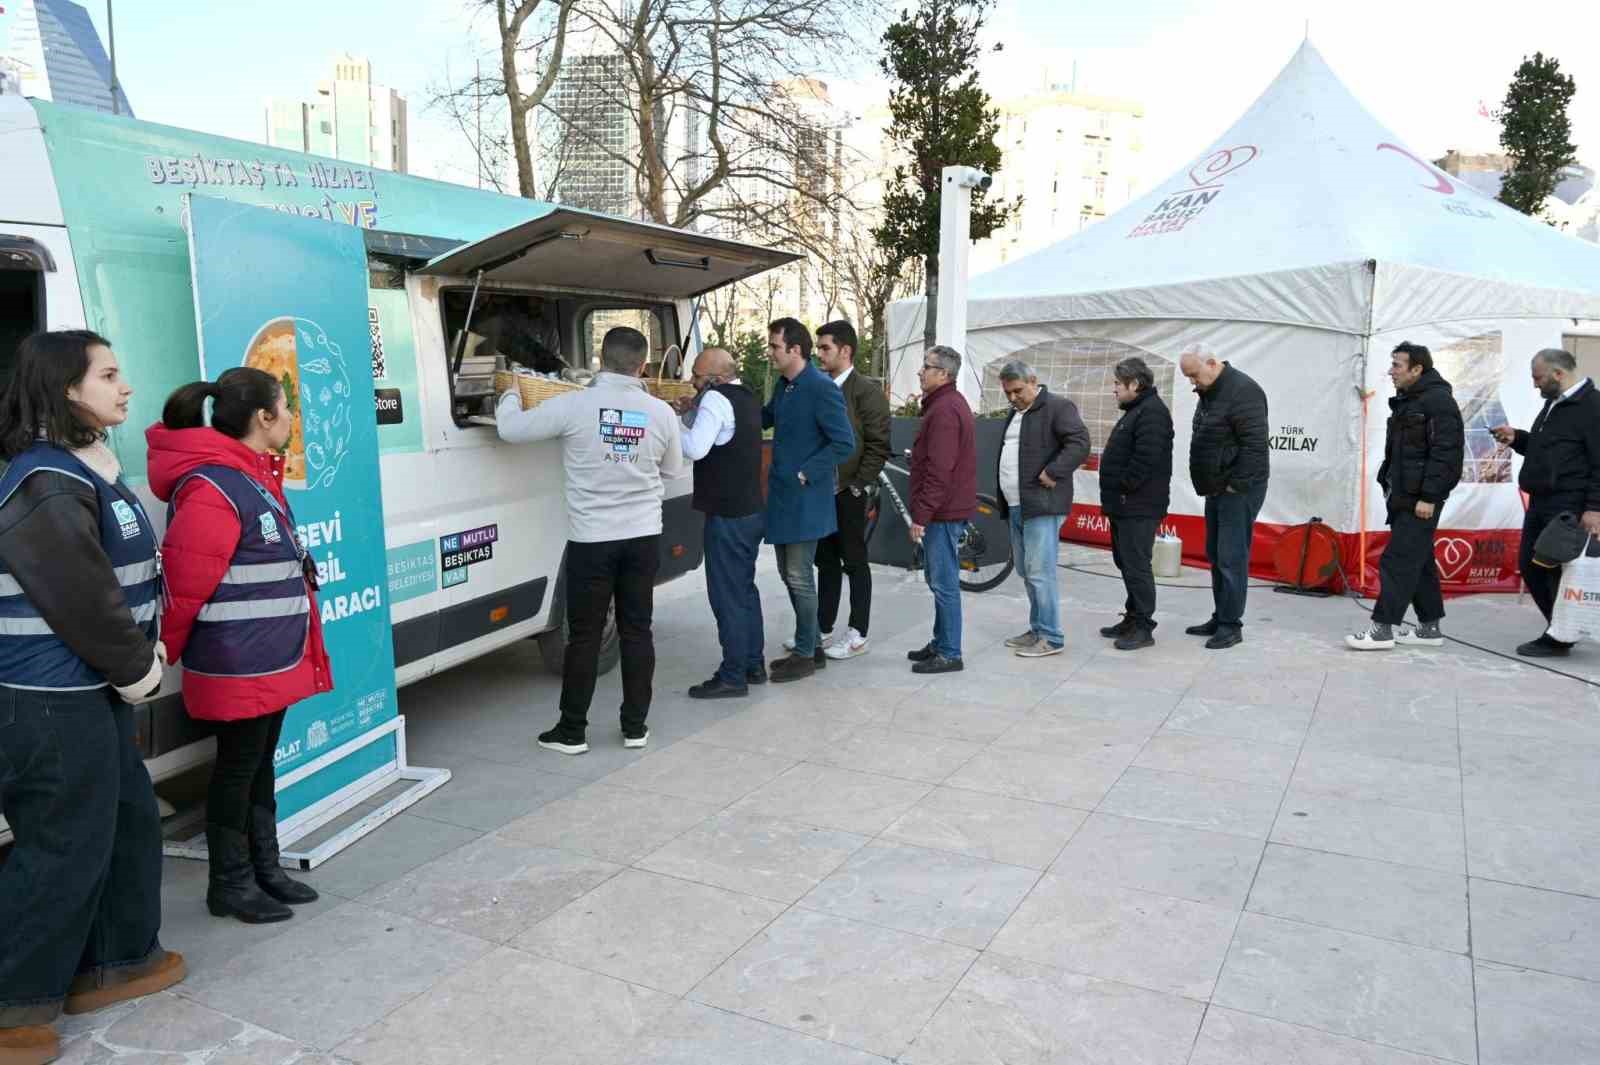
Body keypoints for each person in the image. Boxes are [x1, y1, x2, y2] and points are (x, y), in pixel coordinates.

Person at [0, 331, 184, 1065]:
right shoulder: (43, 479)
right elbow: (81, 596)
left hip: (90, 689)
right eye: (109, 374)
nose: (126, 386)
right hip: (49, 698)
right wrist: (138, 666)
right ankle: (13, 999)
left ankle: (115, 958)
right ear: (67, 388)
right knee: (62, 845)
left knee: (127, 819)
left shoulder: (85, 467)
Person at [147, 368, 332, 924]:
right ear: (263, 418)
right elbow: (185, 585)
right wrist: (155, 657)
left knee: (258, 764)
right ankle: (229, 883)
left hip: (268, 653)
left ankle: (264, 869)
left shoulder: (250, 476)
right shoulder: (212, 485)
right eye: (286, 408)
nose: (292, 420)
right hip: (238, 662)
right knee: (237, 766)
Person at [497, 326, 684, 750]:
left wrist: (510, 391)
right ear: (642, 364)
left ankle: (572, 730)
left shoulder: (574, 405)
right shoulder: (660, 413)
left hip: (593, 540)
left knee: (584, 636)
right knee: (638, 631)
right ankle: (635, 727)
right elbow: (672, 470)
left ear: (601, 359)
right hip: (642, 537)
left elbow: (510, 430)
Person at [1347, 343, 1464, 651]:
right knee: (1419, 560)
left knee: (1398, 560)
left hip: (1421, 500)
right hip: (1402, 495)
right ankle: (1429, 628)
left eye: (1397, 365)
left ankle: (1382, 630)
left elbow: (1445, 455)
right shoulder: (1409, 400)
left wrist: (1429, 496)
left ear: (1417, 369)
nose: (1391, 371)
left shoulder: (1439, 402)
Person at [761, 318, 856, 683]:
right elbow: (765, 417)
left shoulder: (820, 387)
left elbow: (843, 442)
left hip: (805, 498)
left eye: (774, 347)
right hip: (786, 498)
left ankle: (805, 653)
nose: (770, 353)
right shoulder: (786, 386)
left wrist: (806, 472)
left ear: (794, 350)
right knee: (790, 574)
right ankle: (811, 646)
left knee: (799, 576)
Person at [1491, 347, 1600, 658]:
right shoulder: (1554, 404)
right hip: (1542, 501)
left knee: (1549, 567)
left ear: (1558, 374)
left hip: (1569, 504)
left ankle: (1560, 635)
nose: (1535, 384)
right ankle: (1562, 629)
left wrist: (1595, 508)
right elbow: (1548, 450)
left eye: (1537, 377)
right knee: (1532, 565)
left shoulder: (1592, 406)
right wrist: (1519, 438)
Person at [676, 347, 767, 699]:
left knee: (726, 595)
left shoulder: (714, 399)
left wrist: (667, 425)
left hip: (727, 515)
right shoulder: (746, 397)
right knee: (745, 590)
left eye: (697, 376)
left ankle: (732, 675)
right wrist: (690, 413)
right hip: (750, 510)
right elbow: (718, 433)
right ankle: (752, 664)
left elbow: (697, 447)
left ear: (714, 378)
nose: (693, 381)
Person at [993, 361, 1090, 658]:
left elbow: (1080, 443)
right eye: (1008, 392)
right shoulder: (1017, 412)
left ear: (1033, 381)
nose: (1012, 397)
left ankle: (1051, 636)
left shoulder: (1058, 407)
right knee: (1026, 571)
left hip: (1042, 505)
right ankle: (1037, 629)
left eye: (1018, 391)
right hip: (1017, 505)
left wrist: (1053, 471)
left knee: (1040, 573)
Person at [1180, 345, 1270, 650]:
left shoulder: (1244, 390)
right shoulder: (1210, 391)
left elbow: (1255, 446)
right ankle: (1221, 616)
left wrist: (1236, 485)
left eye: (1194, 375)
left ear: (1211, 363)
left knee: (1231, 556)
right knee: (1217, 554)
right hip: (1217, 487)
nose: (1192, 382)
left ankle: (1232, 625)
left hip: (1237, 490)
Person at [813, 321, 890, 661]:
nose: (819, 353)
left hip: (849, 490)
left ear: (845, 351)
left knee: (854, 561)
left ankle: (858, 633)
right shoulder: (820, 386)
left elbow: (878, 443)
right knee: (826, 560)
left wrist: (859, 485)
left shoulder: (865, 391)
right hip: (821, 490)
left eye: (825, 348)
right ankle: (822, 627)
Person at [906, 345, 977, 675]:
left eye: (927, 366)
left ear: (944, 375)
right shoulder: (943, 404)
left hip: (943, 512)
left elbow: (940, 469)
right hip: (945, 509)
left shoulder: (946, 409)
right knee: (939, 577)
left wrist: (921, 515)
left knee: (944, 581)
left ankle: (950, 651)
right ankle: (940, 642)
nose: (921, 371)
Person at [1097, 357, 1175, 651]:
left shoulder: (1152, 413)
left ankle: (1143, 626)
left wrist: (1123, 487)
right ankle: (1132, 616)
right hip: (1125, 505)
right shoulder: (1137, 410)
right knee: (1127, 563)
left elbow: (1144, 460)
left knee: (1137, 565)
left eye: (1118, 383)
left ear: (1135, 384)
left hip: (1138, 506)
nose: (1114, 389)